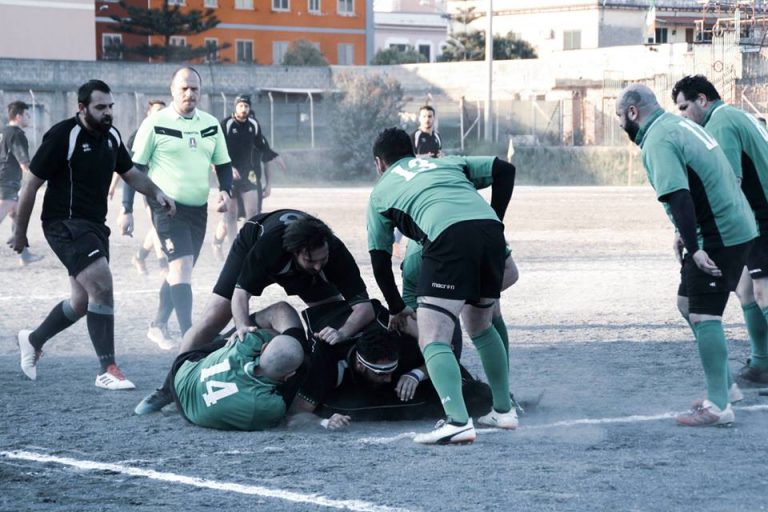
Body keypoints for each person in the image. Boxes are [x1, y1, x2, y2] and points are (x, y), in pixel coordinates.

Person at [9, 79, 175, 388]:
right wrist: (20, 233)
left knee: (82, 301)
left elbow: (130, 173)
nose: (107, 112)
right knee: (102, 285)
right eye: (100, 107)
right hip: (64, 223)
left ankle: (33, 340)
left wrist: (157, 193)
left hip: (95, 226)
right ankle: (107, 369)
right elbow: (30, 185)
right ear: (82, 108)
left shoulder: (111, 135)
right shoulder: (63, 135)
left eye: (110, 106)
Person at [134, 210, 375, 414]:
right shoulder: (269, 247)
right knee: (215, 316)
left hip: (295, 265)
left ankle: (318, 385)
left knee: (332, 314)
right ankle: (169, 388)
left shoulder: (333, 253)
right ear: (294, 251)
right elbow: (241, 295)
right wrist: (241, 326)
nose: (318, 266)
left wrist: (342, 332)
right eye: (311, 261)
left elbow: (364, 309)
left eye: (323, 260)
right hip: (252, 241)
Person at [616, 83, 757, 426]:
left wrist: (695, 248)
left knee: (703, 316)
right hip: (728, 224)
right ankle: (725, 387)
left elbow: (679, 196)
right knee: (686, 304)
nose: (620, 125)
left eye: (620, 117)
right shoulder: (677, 125)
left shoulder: (658, 139)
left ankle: (719, 407)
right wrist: (684, 233)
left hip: (718, 232)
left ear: (633, 112)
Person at [368, 127, 517, 445]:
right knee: (480, 324)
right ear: (411, 151)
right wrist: (496, 219)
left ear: (380, 163)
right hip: (491, 234)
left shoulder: (381, 192)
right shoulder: (445, 162)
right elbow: (504, 169)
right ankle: (503, 411)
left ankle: (457, 421)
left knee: (433, 336)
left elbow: (379, 260)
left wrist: (395, 307)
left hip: (448, 238)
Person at [124, 67, 233, 349]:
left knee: (179, 272)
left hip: (198, 210)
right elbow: (133, 169)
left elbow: (222, 163)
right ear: (172, 90)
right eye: (184, 88)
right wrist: (126, 209)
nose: (189, 93)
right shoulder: (154, 124)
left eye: (194, 88)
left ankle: (157, 325)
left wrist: (225, 190)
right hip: (166, 207)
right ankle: (191, 337)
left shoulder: (210, 124)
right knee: (181, 267)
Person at [672, 75, 768, 388]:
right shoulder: (738, 115)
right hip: (755, 215)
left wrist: (695, 230)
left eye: (684, 107)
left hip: (761, 214)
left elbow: (729, 184)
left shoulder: (721, 123)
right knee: (744, 289)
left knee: (764, 292)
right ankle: (761, 364)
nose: (682, 115)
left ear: (703, 100)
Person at [288, 300, 493, 429]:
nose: (388, 379)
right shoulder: (329, 360)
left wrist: (417, 374)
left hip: (388, 320)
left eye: (392, 370)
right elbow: (296, 414)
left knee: (476, 396)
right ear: (360, 366)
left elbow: (447, 354)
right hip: (328, 313)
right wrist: (324, 422)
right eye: (380, 373)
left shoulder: (402, 340)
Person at [168, 301, 305, 431]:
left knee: (242, 337)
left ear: (264, 348)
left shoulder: (247, 344)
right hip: (193, 415)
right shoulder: (270, 406)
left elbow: (280, 310)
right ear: (290, 375)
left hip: (181, 376)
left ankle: (164, 391)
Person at [212, 94, 286, 259]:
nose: (244, 109)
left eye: (246, 106)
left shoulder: (253, 125)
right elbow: (216, 151)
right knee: (230, 216)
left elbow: (262, 146)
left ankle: (245, 246)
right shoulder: (226, 125)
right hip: (229, 173)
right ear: (235, 107)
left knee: (253, 212)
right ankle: (231, 250)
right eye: (241, 106)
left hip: (249, 174)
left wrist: (275, 156)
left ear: (249, 108)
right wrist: (228, 168)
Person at [117, 99, 168, 278]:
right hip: (148, 188)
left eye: (163, 111)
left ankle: (140, 257)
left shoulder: (170, 134)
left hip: (167, 188)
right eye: (157, 111)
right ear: (148, 114)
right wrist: (125, 205)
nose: (160, 115)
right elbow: (127, 168)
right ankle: (164, 265)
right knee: (158, 226)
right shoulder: (139, 135)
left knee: (158, 226)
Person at [0, 101, 43, 266]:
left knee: (18, 217)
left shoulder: (3, 131)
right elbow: (24, 164)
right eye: (27, 114)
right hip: (7, 182)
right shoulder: (17, 134)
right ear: (18, 116)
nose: (29, 118)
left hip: (4, 180)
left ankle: (24, 255)